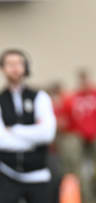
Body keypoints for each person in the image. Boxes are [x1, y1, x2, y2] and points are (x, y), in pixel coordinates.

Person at [0, 49, 56, 203]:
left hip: (38, 174)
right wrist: (32, 138)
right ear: (2, 68)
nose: (15, 68)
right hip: (7, 173)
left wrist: (14, 130)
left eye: (19, 63)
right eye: (10, 64)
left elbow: (47, 134)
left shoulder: (40, 97)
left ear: (25, 67)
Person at [60, 70, 96, 203]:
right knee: (79, 171)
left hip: (94, 136)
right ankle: (86, 198)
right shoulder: (71, 98)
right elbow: (64, 120)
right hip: (79, 136)